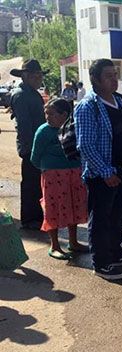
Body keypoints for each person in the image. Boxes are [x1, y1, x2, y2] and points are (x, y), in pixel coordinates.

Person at [75, 58, 122, 280]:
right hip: (102, 175)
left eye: (115, 75)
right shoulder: (88, 106)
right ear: (95, 79)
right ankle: (101, 262)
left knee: (117, 215)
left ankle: (115, 252)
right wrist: (106, 172)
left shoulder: (119, 101)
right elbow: (85, 145)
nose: (114, 80)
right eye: (109, 76)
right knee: (101, 219)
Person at [30, 98, 87, 260]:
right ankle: (55, 246)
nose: (47, 117)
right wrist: (51, 167)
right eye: (46, 113)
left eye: (51, 113)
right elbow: (35, 158)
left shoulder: (74, 129)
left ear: (64, 115)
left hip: (74, 174)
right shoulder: (43, 131)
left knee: (74, 205)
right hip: (53, 176)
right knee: (53, 208)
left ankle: (73, 241)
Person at [9, 59, 46, 229]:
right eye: (35, 75)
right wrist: (33, 149)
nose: (39, 78)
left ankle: (37, 216)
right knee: (30, 184)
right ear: (26, 76)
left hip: (38, 146)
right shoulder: (21, 94)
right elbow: (24, 127)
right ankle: (30, 219)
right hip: (30, 147)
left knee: (37, 183)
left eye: (39, 75)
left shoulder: (33, 93)